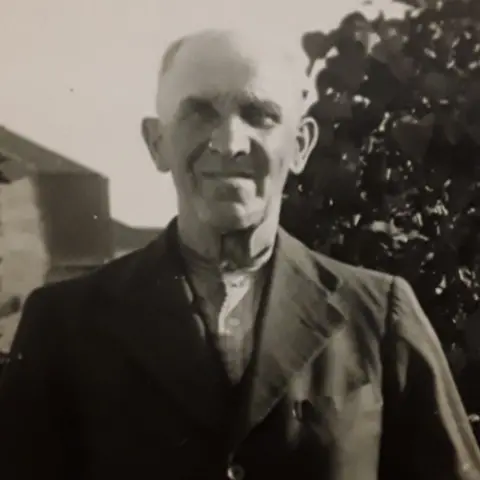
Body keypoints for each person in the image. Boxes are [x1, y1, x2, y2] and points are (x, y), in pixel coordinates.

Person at [0, 27, 479, 480]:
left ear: (300, 145)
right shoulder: (64, 326)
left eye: (260, 114)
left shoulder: (380, 318)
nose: (229, 143)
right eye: (199, 112)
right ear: (157, 142)